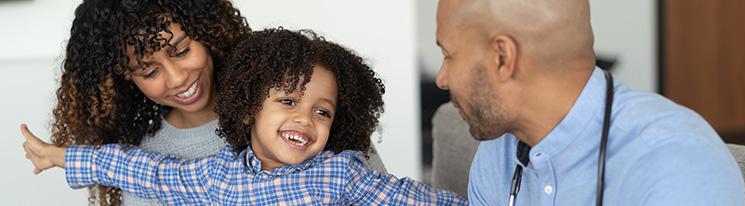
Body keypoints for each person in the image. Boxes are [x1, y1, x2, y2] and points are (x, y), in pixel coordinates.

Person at [22, 28, 467, 205]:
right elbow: (147, 172)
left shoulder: (340, 174)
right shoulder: (217, 175)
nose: (304, 120)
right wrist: (62, 156)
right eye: (288, 103)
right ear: (250, 106)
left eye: (322, 111)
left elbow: (417, 200)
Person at [433, 0, 745, 205]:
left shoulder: (676, 163)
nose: (441, 78)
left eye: (449, 55)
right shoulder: (497, 152)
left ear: (503, 58)